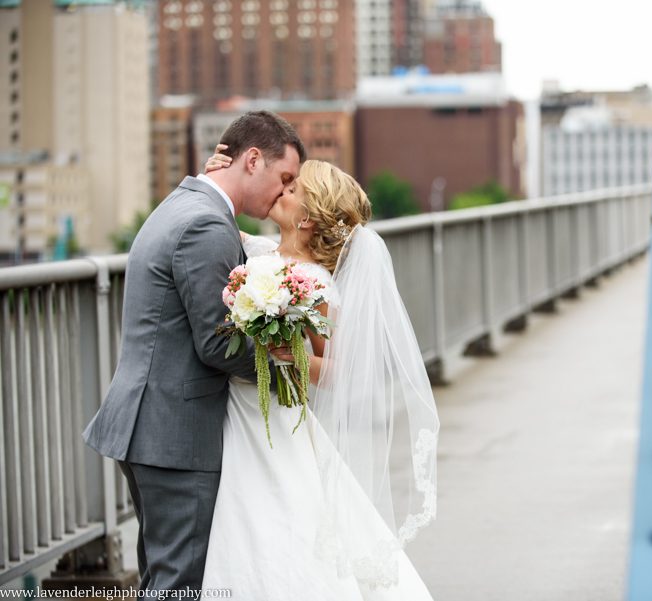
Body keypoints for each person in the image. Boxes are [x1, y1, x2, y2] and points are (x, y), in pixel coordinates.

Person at [201, 149, 440, 600]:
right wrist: (213, 170)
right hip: (237, 409)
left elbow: (336, 370)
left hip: (278, 417)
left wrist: (286, 354)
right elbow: (214, 210)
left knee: (279, 518)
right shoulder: (258, 250)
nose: (280, 190)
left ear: (308, 218)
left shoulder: (317, 283)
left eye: (291, 190)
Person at [82, 112, 304, 593]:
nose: (284, 193)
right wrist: (286, 363)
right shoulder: (206, 224)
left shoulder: (185, 204)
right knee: (180, 582)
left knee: (162, 576)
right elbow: (218, 342)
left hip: (154, 423)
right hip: (174, 434)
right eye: (284, 178)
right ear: (251, 160)